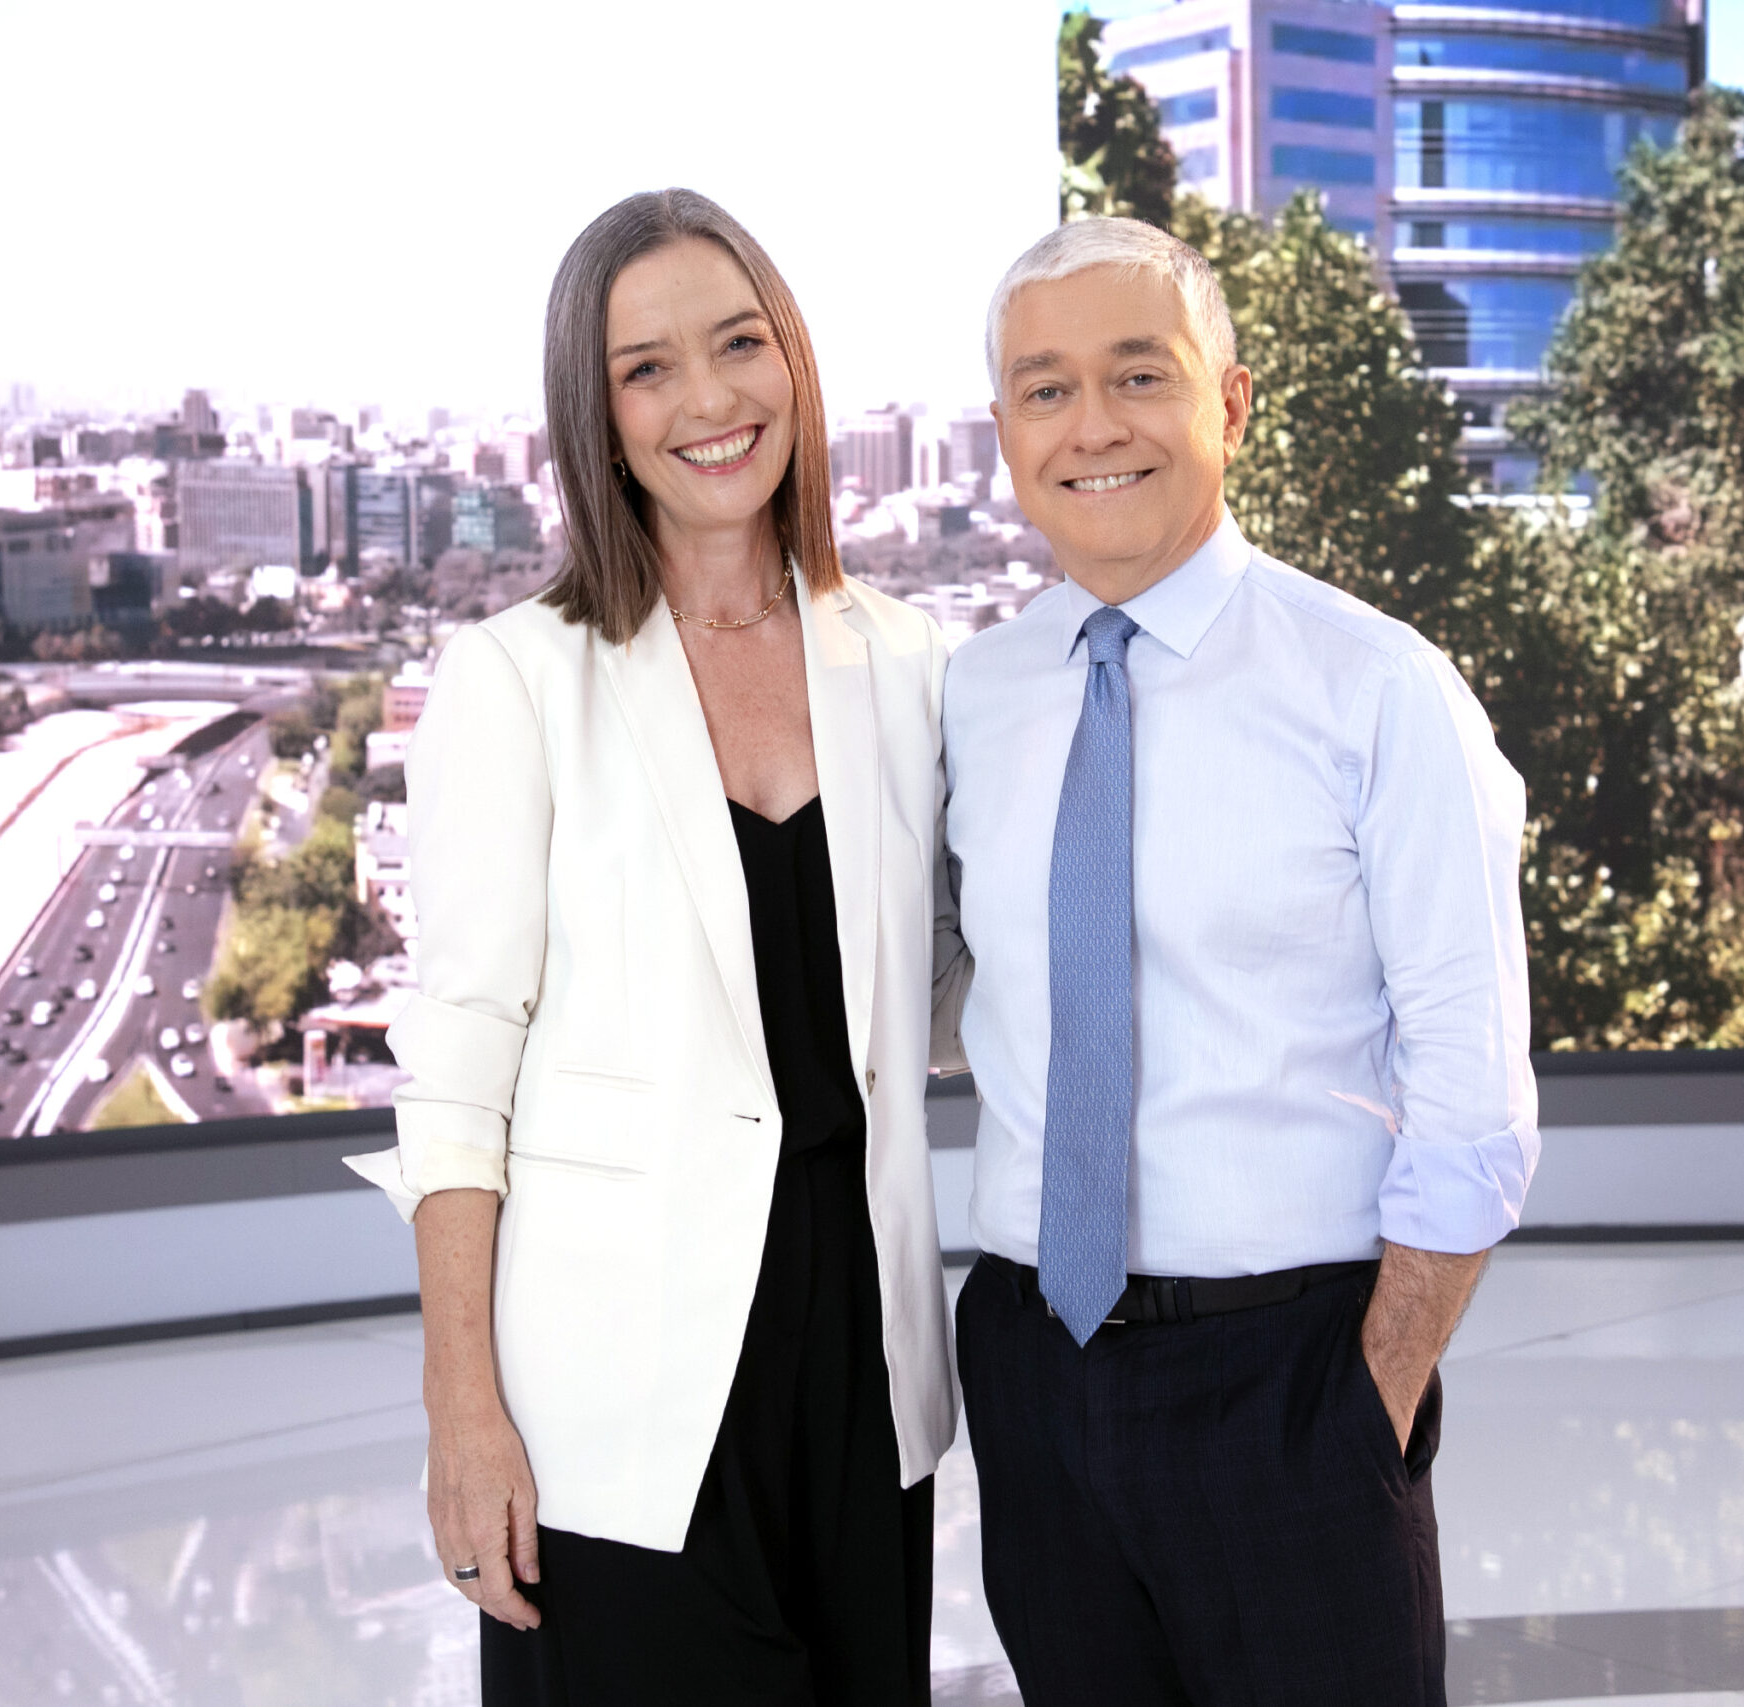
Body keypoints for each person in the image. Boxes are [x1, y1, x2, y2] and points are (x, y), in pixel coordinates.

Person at [347, 188, 957, 1707]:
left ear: (794, 361)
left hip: (865, 1375)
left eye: (741, 344)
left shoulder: (908, 661)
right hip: (616, 1407)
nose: (709, 399)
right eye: (647, 368)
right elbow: (459, 1076)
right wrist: (462, 1414)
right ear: (596, 417)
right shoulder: (517, 679)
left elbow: (946, 993)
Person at [936, 216, 1539, 1705]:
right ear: (1006, 431)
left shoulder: (1378, 689)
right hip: (1032, 1367)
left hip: (1293, 1380)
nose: (1093, 426)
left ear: (1233, 403)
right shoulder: (973, 696)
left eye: (1139, 375)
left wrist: (1374, 1392)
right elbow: (955, 995)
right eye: (1046, 389)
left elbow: (1473, 1088)